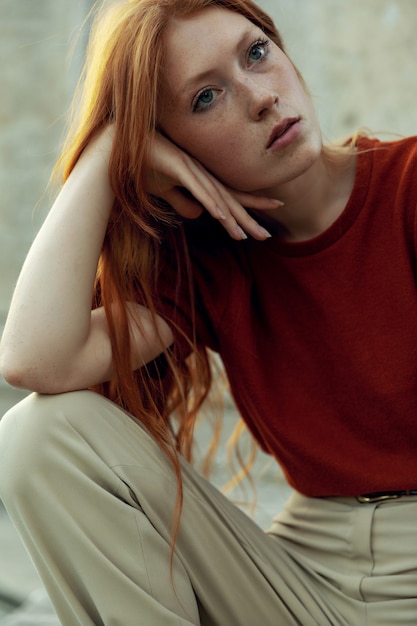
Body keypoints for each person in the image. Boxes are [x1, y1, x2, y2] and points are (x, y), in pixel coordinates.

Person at [0, 0, 417, 624]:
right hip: (305, 575)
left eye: (256, 53)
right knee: (33, 437)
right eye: (205, 98)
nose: (259, 98)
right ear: (173, 149)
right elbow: (34, 358)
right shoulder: (209, 261)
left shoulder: (407, 188)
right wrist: (109, 156)